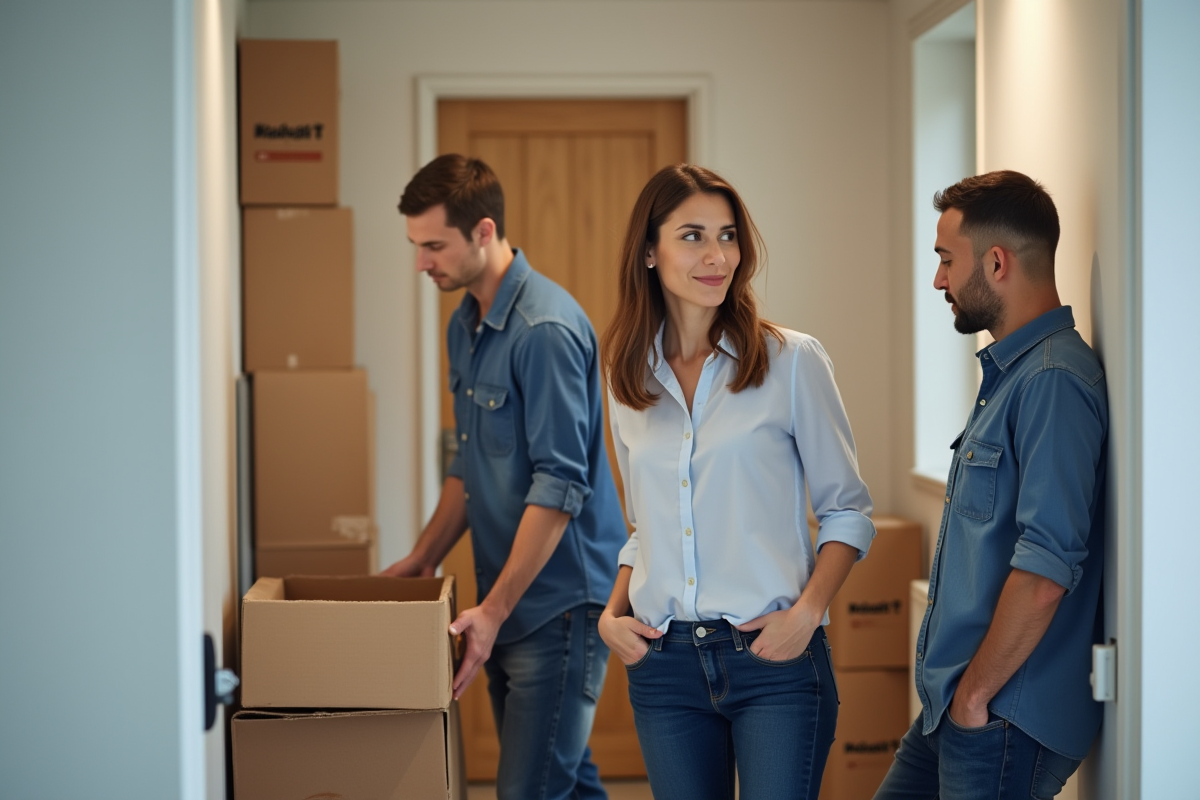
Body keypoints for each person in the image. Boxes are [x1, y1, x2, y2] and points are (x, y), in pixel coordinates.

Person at [597, 164, 876, 800]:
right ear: (649, 251)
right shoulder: (626, 376)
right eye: (692, 236)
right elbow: (646, 528)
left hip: (772, 661)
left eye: (727, 236)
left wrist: (808, 615)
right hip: (663, 667)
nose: (717, 256)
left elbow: (848, 513)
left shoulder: (792, 361)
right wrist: (611, 616)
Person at [382, 154, 628, 800]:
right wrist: (423, 558)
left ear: (484, 232)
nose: (421, 263)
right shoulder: (463, 327)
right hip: (505, 599)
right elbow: (468, 461)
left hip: (560, 605)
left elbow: (560, 486)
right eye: (415, 246)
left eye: (434, 246)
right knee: (563, 782)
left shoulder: (544, 330)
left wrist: (492, 611)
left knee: (528, 790)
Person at [873, 171, 1108, 800]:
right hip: (956, 708)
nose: (939, 280)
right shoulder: (1013, 375)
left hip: (999, 716)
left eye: (947, 260)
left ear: (997, 262)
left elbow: (1046, 568)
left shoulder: (1054, 381)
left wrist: (976, 697)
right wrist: (960, 700)